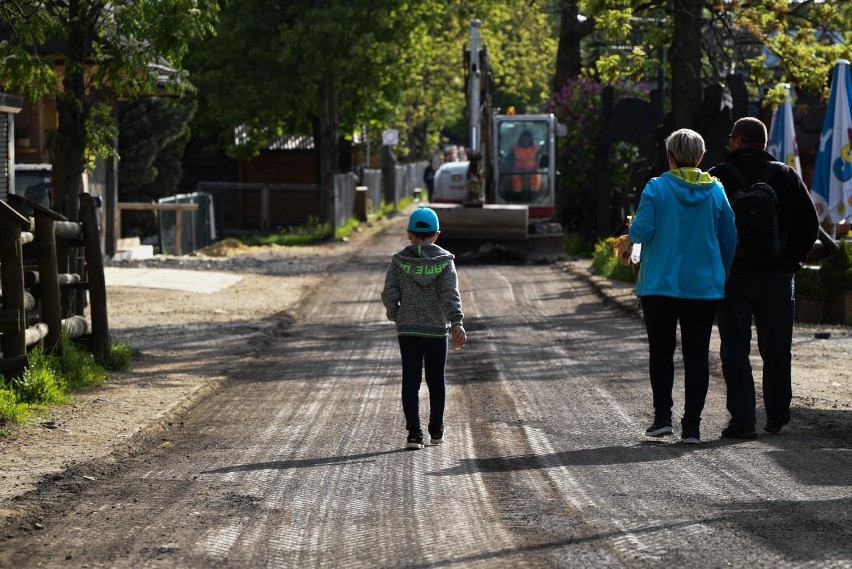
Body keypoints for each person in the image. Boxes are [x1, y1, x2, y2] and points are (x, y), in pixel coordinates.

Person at [708, 117, 819, 439]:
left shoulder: (717, 178)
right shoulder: (785, 175)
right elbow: (809, 225)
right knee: (776, 349)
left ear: (739, 141)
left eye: (732, 138)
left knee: (735, 350)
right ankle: (777, 415)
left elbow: (705, 226)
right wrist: (791, 260)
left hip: (732, 277)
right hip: (777, 277)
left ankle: (743, 420)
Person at [628, 128, 737, 444]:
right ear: (701, 158)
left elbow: (640, 232)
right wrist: (722, 271)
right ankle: (692, 427)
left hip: (660, 284)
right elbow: (729, 236)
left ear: (670, 157)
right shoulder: (716, 190)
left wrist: (632, 231)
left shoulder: (657, 187)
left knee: (661, 352)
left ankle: (663, 418)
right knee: (696, 355)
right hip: (703, 287)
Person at [381, 207, 467, 450]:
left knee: (410, 380)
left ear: (409, 233)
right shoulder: (445, 262)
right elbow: (450, 294)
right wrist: (457, 321)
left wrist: (396, 315)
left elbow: (389, 294)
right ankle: (436, 430)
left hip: (408, 330)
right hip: (436, 330)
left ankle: (413, 435)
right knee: (436, 380)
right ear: (437, 234)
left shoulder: (398, 262)